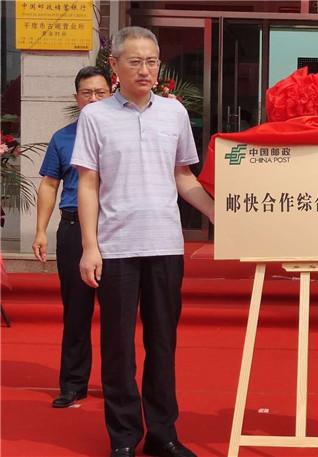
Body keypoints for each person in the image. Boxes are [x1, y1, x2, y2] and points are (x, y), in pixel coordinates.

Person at [71, 26, 214, 457]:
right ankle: (123, 438)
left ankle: (163, 434)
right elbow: (88, 184)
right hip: (116, 247)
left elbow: (183, 176)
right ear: (114, 66)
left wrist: (218, 215)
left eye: (152, 61)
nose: (145, 70)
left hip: (165, 245)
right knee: (117, 347)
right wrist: (90, 246)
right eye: (135, 61)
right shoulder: (95, 117)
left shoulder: (173, 113)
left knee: (162, 344)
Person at [32, 66, 111, 408]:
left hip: (114, 229)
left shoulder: (121, 134)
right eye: (86, 93)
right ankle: (73, 384)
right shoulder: (63, 137)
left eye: (100, 93)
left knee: (116, 313)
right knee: (76, 310)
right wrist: (40, 230)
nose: (93, 99)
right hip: (73, 229)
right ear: (76, 97)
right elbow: (49, 184)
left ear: (111, 94)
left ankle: (117, 384)